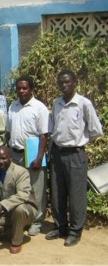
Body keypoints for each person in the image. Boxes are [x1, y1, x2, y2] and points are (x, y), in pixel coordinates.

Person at [46, 70, 103, 247]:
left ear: (75, 82)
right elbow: (52, 128)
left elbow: (96, 130)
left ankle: (75, 231)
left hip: (75, 155)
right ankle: (60, 226)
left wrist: (79, 142)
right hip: (57, 153)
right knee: (57, 193)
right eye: (61, 82)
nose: (64, 85)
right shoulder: (57, 103)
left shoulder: (83, 104)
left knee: (76, 196)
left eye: (67, 82)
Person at [6, 76, 49, 236]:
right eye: (19, 88)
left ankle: (37, 222)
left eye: (25, 88)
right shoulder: (13, 107)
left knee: (36, 190)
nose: (21, 91)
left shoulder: (39, 108)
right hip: (15, 154)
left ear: (31, 89)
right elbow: (9, 131)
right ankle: (21, 219)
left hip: (32, 155)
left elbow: (44, 135)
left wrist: (39, 158)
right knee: (17, 189)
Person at [0, 146, 38, 254]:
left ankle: (16, 241)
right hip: (7, 211)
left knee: (19, 210)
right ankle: (16, 230)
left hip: (26, 208)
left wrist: (2, 205)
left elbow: (23, 194)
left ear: (10, 158)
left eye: (4, 158)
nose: (0, 161)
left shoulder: (21, 172)